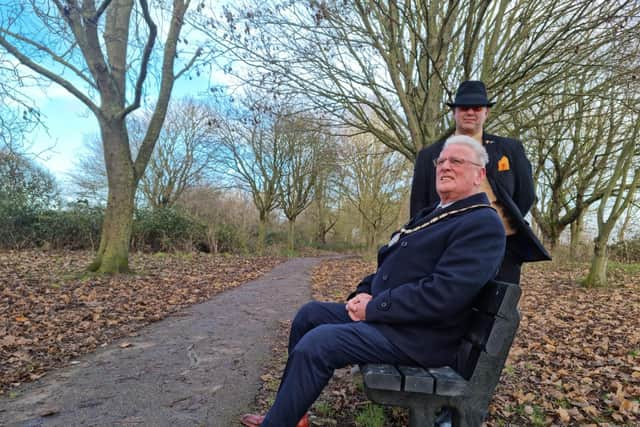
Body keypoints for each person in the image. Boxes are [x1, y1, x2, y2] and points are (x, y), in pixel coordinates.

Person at [240, 135, 506, 427]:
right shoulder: (434, 215)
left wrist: (374, 307)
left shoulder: (481, 223)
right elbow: (390, 266)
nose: (444, 167)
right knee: (310, 316)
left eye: (456, 161)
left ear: (479, 174)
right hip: (396, 321)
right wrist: (361, 295)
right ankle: (291, 415)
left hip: (422, 337)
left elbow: (442, 294)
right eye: (440, 161)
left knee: (320, 342)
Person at [410, 80, 550, 284]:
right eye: (464, 107)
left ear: (486, 112)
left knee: (499, 312)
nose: (470, 112)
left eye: (477, 108)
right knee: (449, 310)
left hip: (502, 247)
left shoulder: (510, 149)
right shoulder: (429, 156)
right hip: (445, 249)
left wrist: (499, 222)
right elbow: (419, 206)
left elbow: (525, 195)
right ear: (454, 112)